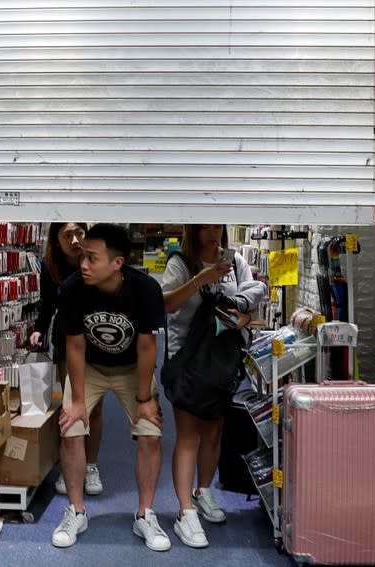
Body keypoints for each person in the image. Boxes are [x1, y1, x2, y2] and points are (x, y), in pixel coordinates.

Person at [51, 223, 170, 551]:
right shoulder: (74, 288)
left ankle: (144, 515)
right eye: (83, 257)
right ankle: (76, 511)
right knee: (71, 426)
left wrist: (144, 398)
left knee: (150, 432)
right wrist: (76, 400)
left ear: (117, 263)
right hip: (90, 366)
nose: (83, 264)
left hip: (134, 369)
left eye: (92, 258)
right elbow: (74, 346)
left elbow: (147, 347)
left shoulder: (145, 289)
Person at [161, 224, 266, 548]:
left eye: (216, 225)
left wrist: (244, 319)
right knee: (189, 435)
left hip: (222, 362)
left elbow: (253, 303)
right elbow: (166, 304)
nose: (211, 232)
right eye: (203, 226)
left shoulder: (235, 262)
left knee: (215, 430)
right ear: (192, 229)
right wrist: (200, 281)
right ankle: (185, 511)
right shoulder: (180, 262)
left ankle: (203, 491)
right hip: (188, 361)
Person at [28, 222, 105, 496]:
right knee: (71, 404)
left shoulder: (97, 259)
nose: (74, 240)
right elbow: (47, 303)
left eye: (78, 233)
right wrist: (38, 328)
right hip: (65, 339)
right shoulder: (51, 267)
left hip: (96, 339)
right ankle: (71, 465)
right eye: (67, 235)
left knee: (94, 408)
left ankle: (91, 465)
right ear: (57, 240)